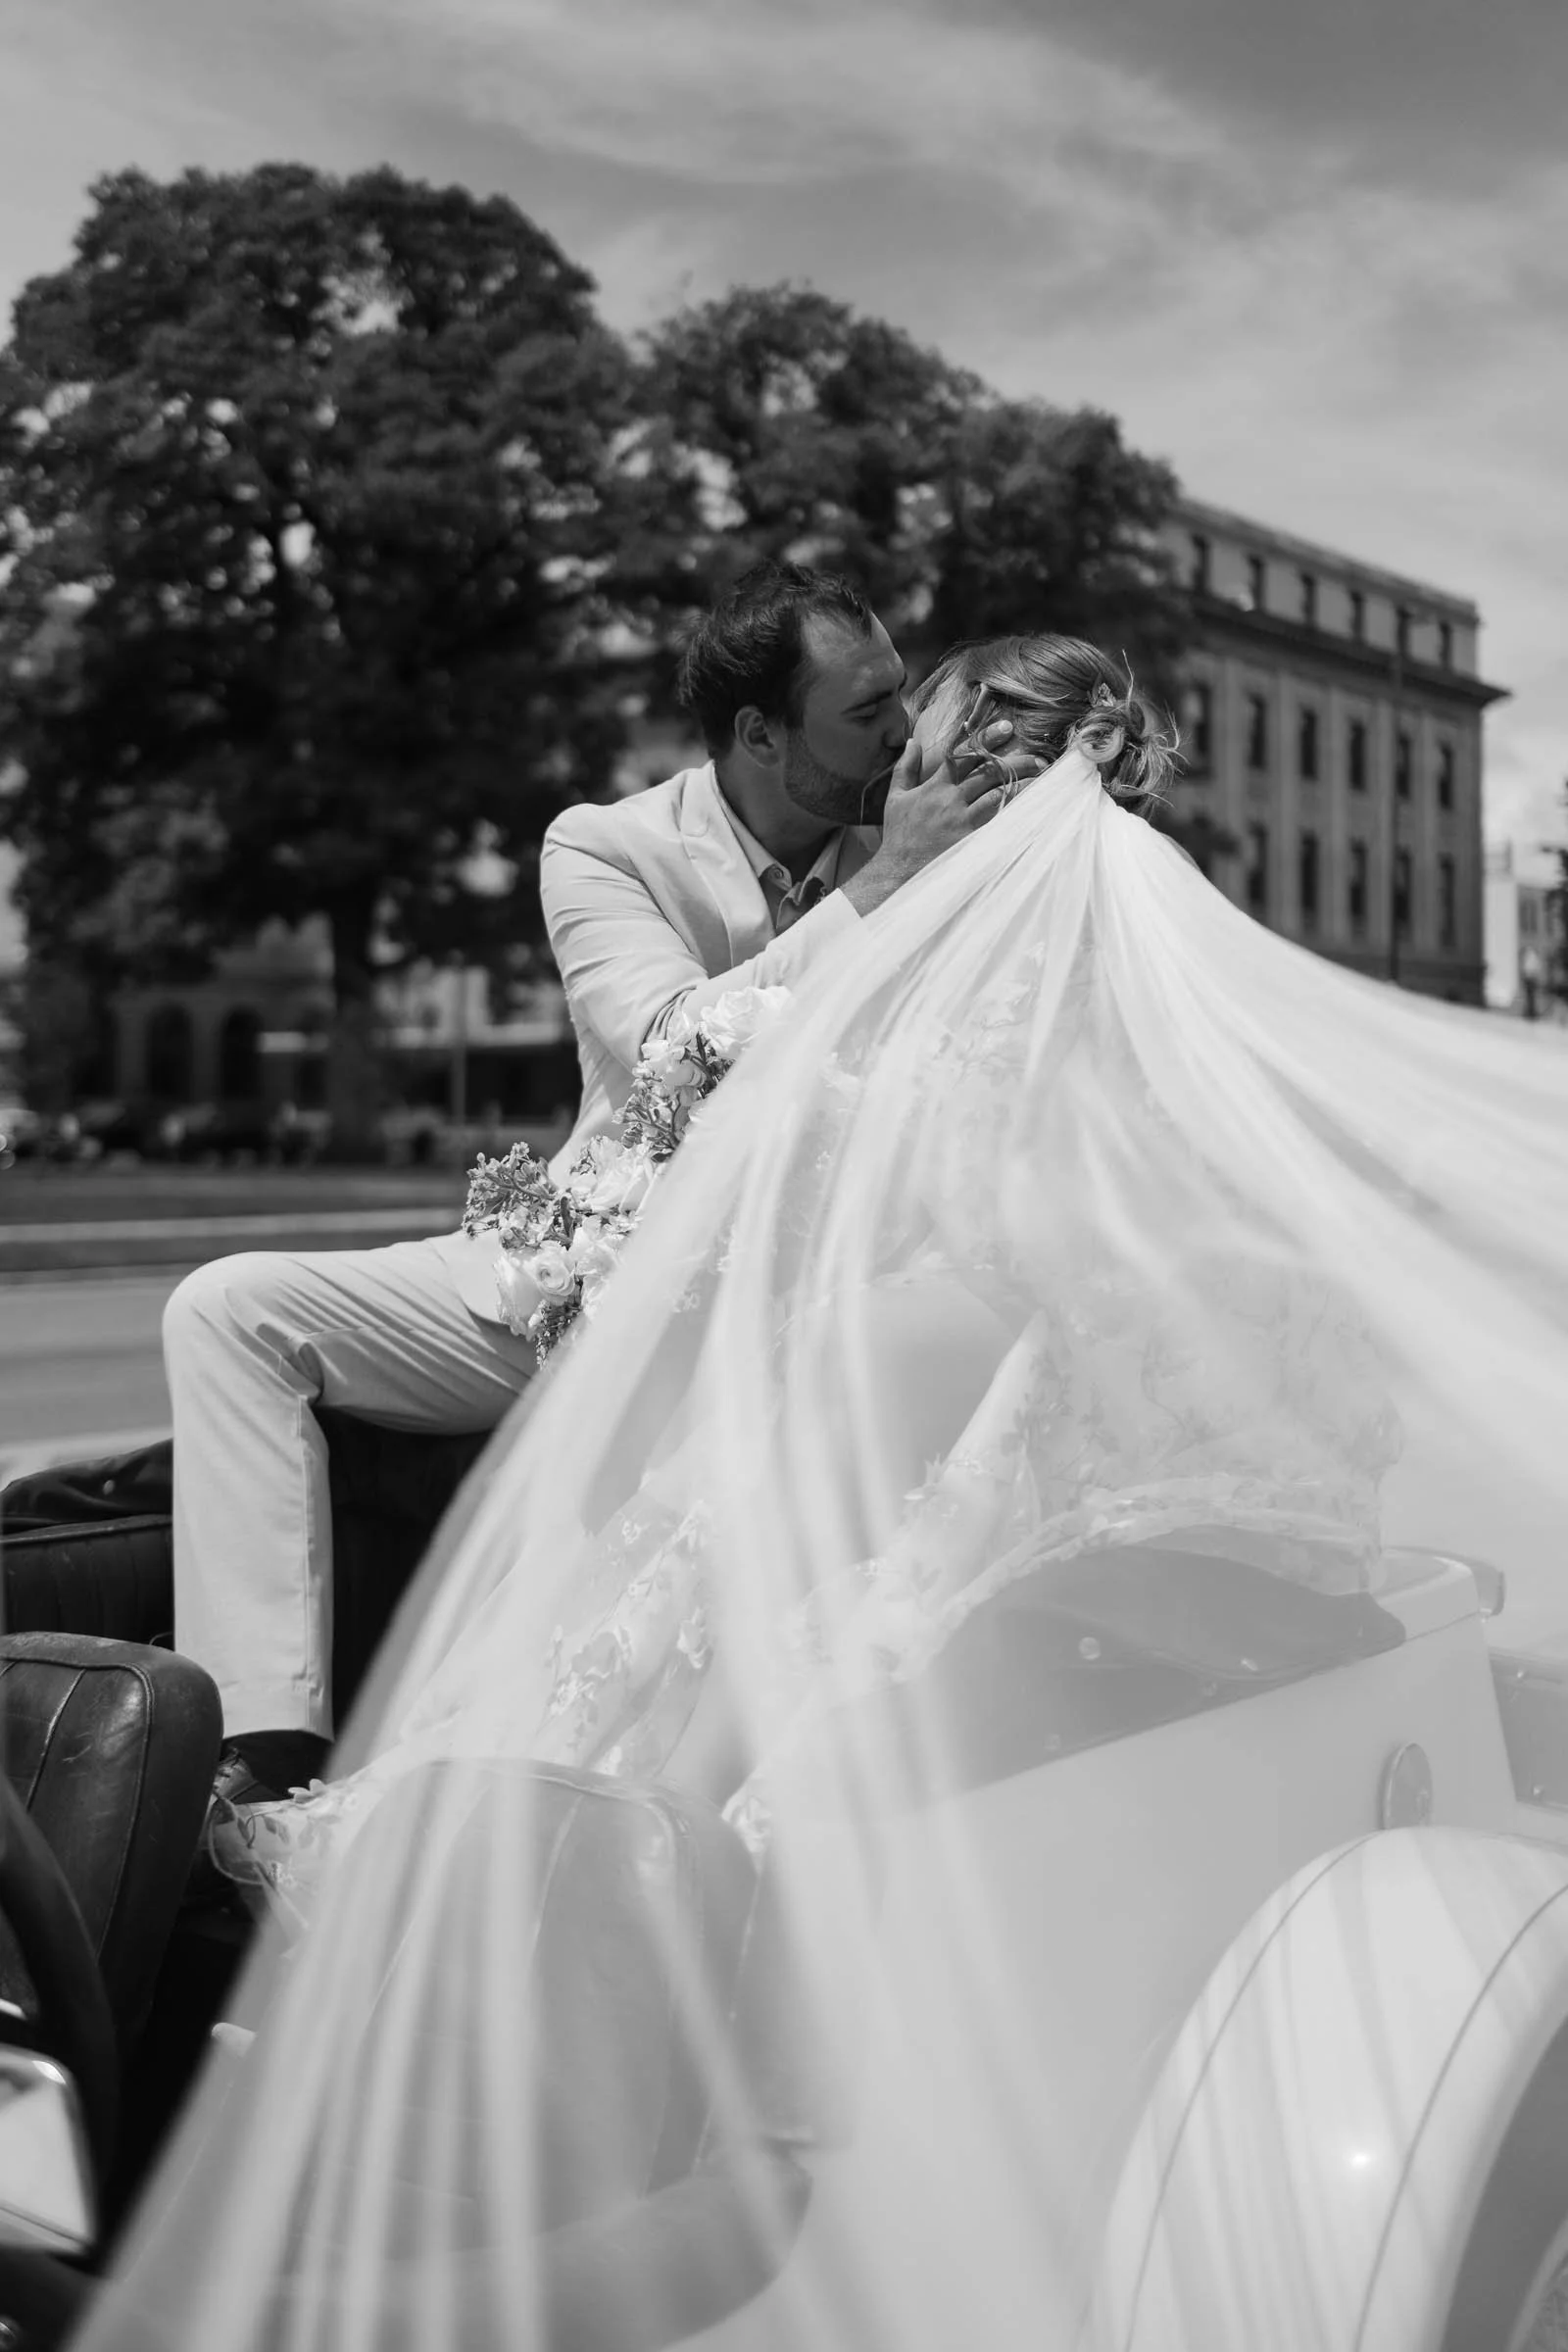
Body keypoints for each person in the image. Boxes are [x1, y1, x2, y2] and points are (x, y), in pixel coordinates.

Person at [80, 633, 1568, 2351]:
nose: (887, 787)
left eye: (917, 748)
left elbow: (924, 1286)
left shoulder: (977, 998)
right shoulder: (1007, 946)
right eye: (878, 742)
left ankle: (599, 2023)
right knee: (697, 1520)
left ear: (973, 780)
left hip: (1059, 1478)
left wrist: (768, 1403)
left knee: (701, 1562)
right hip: (1161, 1476)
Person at [164, 561, 1033, 1823]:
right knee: (228, 1308)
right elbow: (676, 1046)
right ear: (758, 735)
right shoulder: (605, 847)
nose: (904, 734)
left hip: (792, 1312)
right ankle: (264, 1744)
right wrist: (877, 890)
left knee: (564, 1626)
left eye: (901, 696)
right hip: (581, 1276)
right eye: (866, 712)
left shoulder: (918, 842)